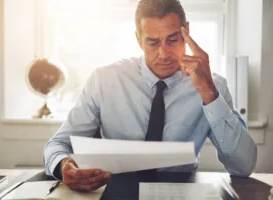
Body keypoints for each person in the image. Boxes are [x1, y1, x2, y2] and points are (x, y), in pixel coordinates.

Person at [44, 0, 257, 192]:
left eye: (172, 40)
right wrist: (64, 166)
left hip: (180, 193)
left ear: (187, 32)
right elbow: (57, 144)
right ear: (138, 39)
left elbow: (244, 166)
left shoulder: (212, 85)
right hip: (114, 191)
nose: (164, 54)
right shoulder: (104, 80)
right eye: (153, 43)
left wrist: (209, 93)